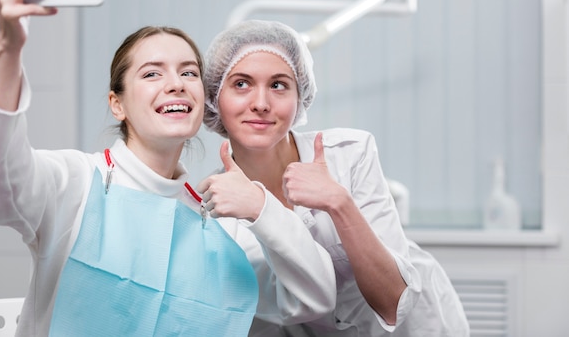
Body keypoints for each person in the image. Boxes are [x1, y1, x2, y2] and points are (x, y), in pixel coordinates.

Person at [0, 0, 336, 336]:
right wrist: (9, 47)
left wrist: (263, 207)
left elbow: (313, 298)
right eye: (152, 73)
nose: (175, 83)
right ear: (118, 103)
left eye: (188, 72)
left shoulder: (222, 219)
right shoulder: (74, 183)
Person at [197, 19, 471, 336]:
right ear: (216, 98)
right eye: (241, 84)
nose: (260, 103)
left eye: (278, 85)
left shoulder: (349, 153)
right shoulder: (217, 210)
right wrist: (261, 208)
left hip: (415, 327)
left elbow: (393, 303)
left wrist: (339, 202)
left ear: (300, 97)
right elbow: (283, 306)